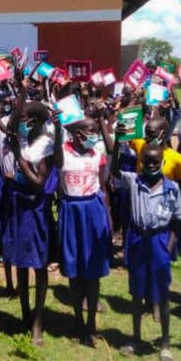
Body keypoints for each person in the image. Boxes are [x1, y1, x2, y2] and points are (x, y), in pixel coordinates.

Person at [112, 144, 181, 361]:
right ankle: (135, 338)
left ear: (163, 162)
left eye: (155, 162)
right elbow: (114, 172)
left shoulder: (172, 188)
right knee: (136, 294)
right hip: (137, 239)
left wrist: (168, 247)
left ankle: (164, 343)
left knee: (162, 295)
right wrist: (116, 144)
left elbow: (177, 221)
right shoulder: (134, 181)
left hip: (159, 240)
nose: (151, 165)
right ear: (141, 163)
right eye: (147, 162)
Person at [54, 114, 111, 348]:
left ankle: (91, 324)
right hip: (71, 210)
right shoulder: (63, 153)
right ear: (78, 134)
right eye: (91, 130)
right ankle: (77, 320)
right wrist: (58, 128)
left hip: (92, 209)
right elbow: (57, 162)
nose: (94, 134)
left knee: (93, 271)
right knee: (75, 270)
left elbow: (104, 180)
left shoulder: (98, 153)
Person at [5, 91, 55, 346]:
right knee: (21, 263)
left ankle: (38, 321)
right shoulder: (21, 138)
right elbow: (10, 124)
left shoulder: (45, 145)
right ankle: (25, 313)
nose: (18, 122)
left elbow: (38, 183)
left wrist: (18, 155)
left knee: (39, 264)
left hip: (35, 207)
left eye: (24, 118)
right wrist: (21, 90)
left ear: (34, 122)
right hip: (18, 205)